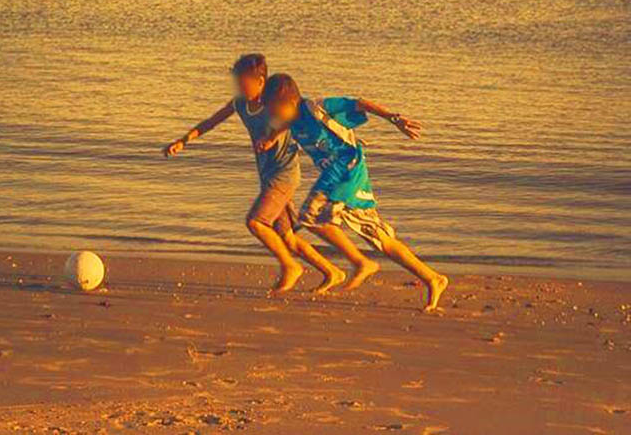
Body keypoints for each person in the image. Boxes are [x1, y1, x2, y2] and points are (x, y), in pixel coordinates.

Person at [256, 73, 449, 311]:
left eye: (274, 110)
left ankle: (361, 263)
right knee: (381, 239)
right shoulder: (291, 118)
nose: (272, 116)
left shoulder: (317, 106)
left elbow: (359, 103)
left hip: (346, 170)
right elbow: (283, 124)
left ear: (288, 102)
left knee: (311, 217)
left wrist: (393, 118)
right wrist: (270, 139)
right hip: (342, 177)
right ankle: (433, 278)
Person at [164, 54, 345, 294]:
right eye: (237, 82)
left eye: (244, 83)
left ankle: (291, 267)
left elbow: (295, 118)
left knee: (256, 222)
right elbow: (212, 121)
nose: (240, 87)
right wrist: (184, 141)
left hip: (285, 174)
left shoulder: (277, 102)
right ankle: (333, 272)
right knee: (287, 238)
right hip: (267, 175)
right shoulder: (240, 104)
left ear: (261, 81)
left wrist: (273, 137)